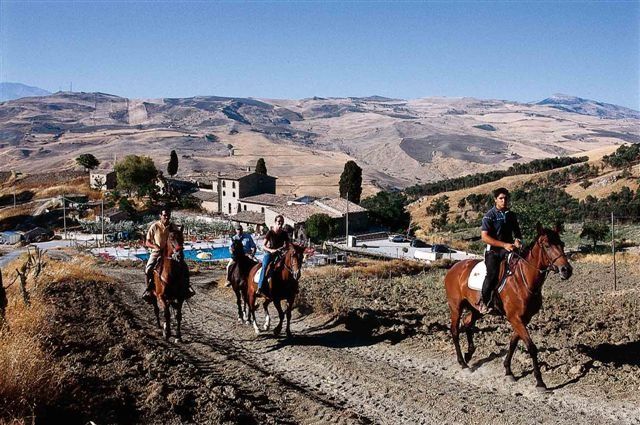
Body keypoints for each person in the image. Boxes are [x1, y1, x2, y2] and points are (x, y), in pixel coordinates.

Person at [478, 187, 523, 314]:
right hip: (493, 252)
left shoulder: (511, 215)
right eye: (501, 198)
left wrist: (518, 240)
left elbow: (517, 233)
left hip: (509, 249)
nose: (504, 201)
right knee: (491, 275)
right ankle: (484, 301)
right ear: (495, 200)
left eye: (506, 198)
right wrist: (504, 245)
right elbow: (484, 237)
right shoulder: (489, 216)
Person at [142, 209, 194, 303]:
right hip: (157, 252)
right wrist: (154, 246)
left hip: (171, 253)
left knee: (184, 267)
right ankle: (149, 290)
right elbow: (147, 242)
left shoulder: (173, 226)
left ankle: (186, 288)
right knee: (148, 268)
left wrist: (178, 245)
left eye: (168, 215)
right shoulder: (155, 226)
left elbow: (178, 237)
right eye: (165, 215)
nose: (167, 217)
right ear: (160, 216)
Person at [256, 215, 290, 296]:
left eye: (282, 222)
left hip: (280, 254)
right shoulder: (270, 233)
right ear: (275, 222)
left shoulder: (284, 233)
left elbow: (288, 245)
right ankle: (260, 287)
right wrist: (271, 250)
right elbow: (263, 245)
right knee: (265, 266)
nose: (280, 223)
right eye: (279, 221)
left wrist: (286, 248)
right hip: (270, 254)